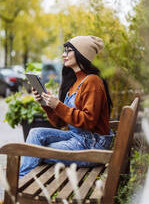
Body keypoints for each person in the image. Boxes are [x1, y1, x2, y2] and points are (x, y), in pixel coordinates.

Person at [19, 35, 113, 178]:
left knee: (35, 152)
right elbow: (60, 123)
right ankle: (24, 183)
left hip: (92, 145)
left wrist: (58, 105)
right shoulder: (74, 82)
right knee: (35, 134)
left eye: (68, 51)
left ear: (82, 54)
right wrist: (47, 105)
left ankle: (21, 185)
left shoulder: (92, 82)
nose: (64, 55)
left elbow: (88, 120)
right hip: (78, 138)